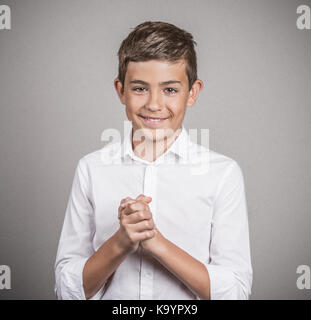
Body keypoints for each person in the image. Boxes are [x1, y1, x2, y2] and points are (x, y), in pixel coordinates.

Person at [54, 21, 253, 300]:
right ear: (120, 90)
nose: (154, 104)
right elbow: (67, 291)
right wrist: (121, 242)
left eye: (170, 90)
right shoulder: (92, 169)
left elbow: (234, 292)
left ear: (192, 92)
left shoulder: (222, 174)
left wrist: (155, 243)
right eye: (139, 88)